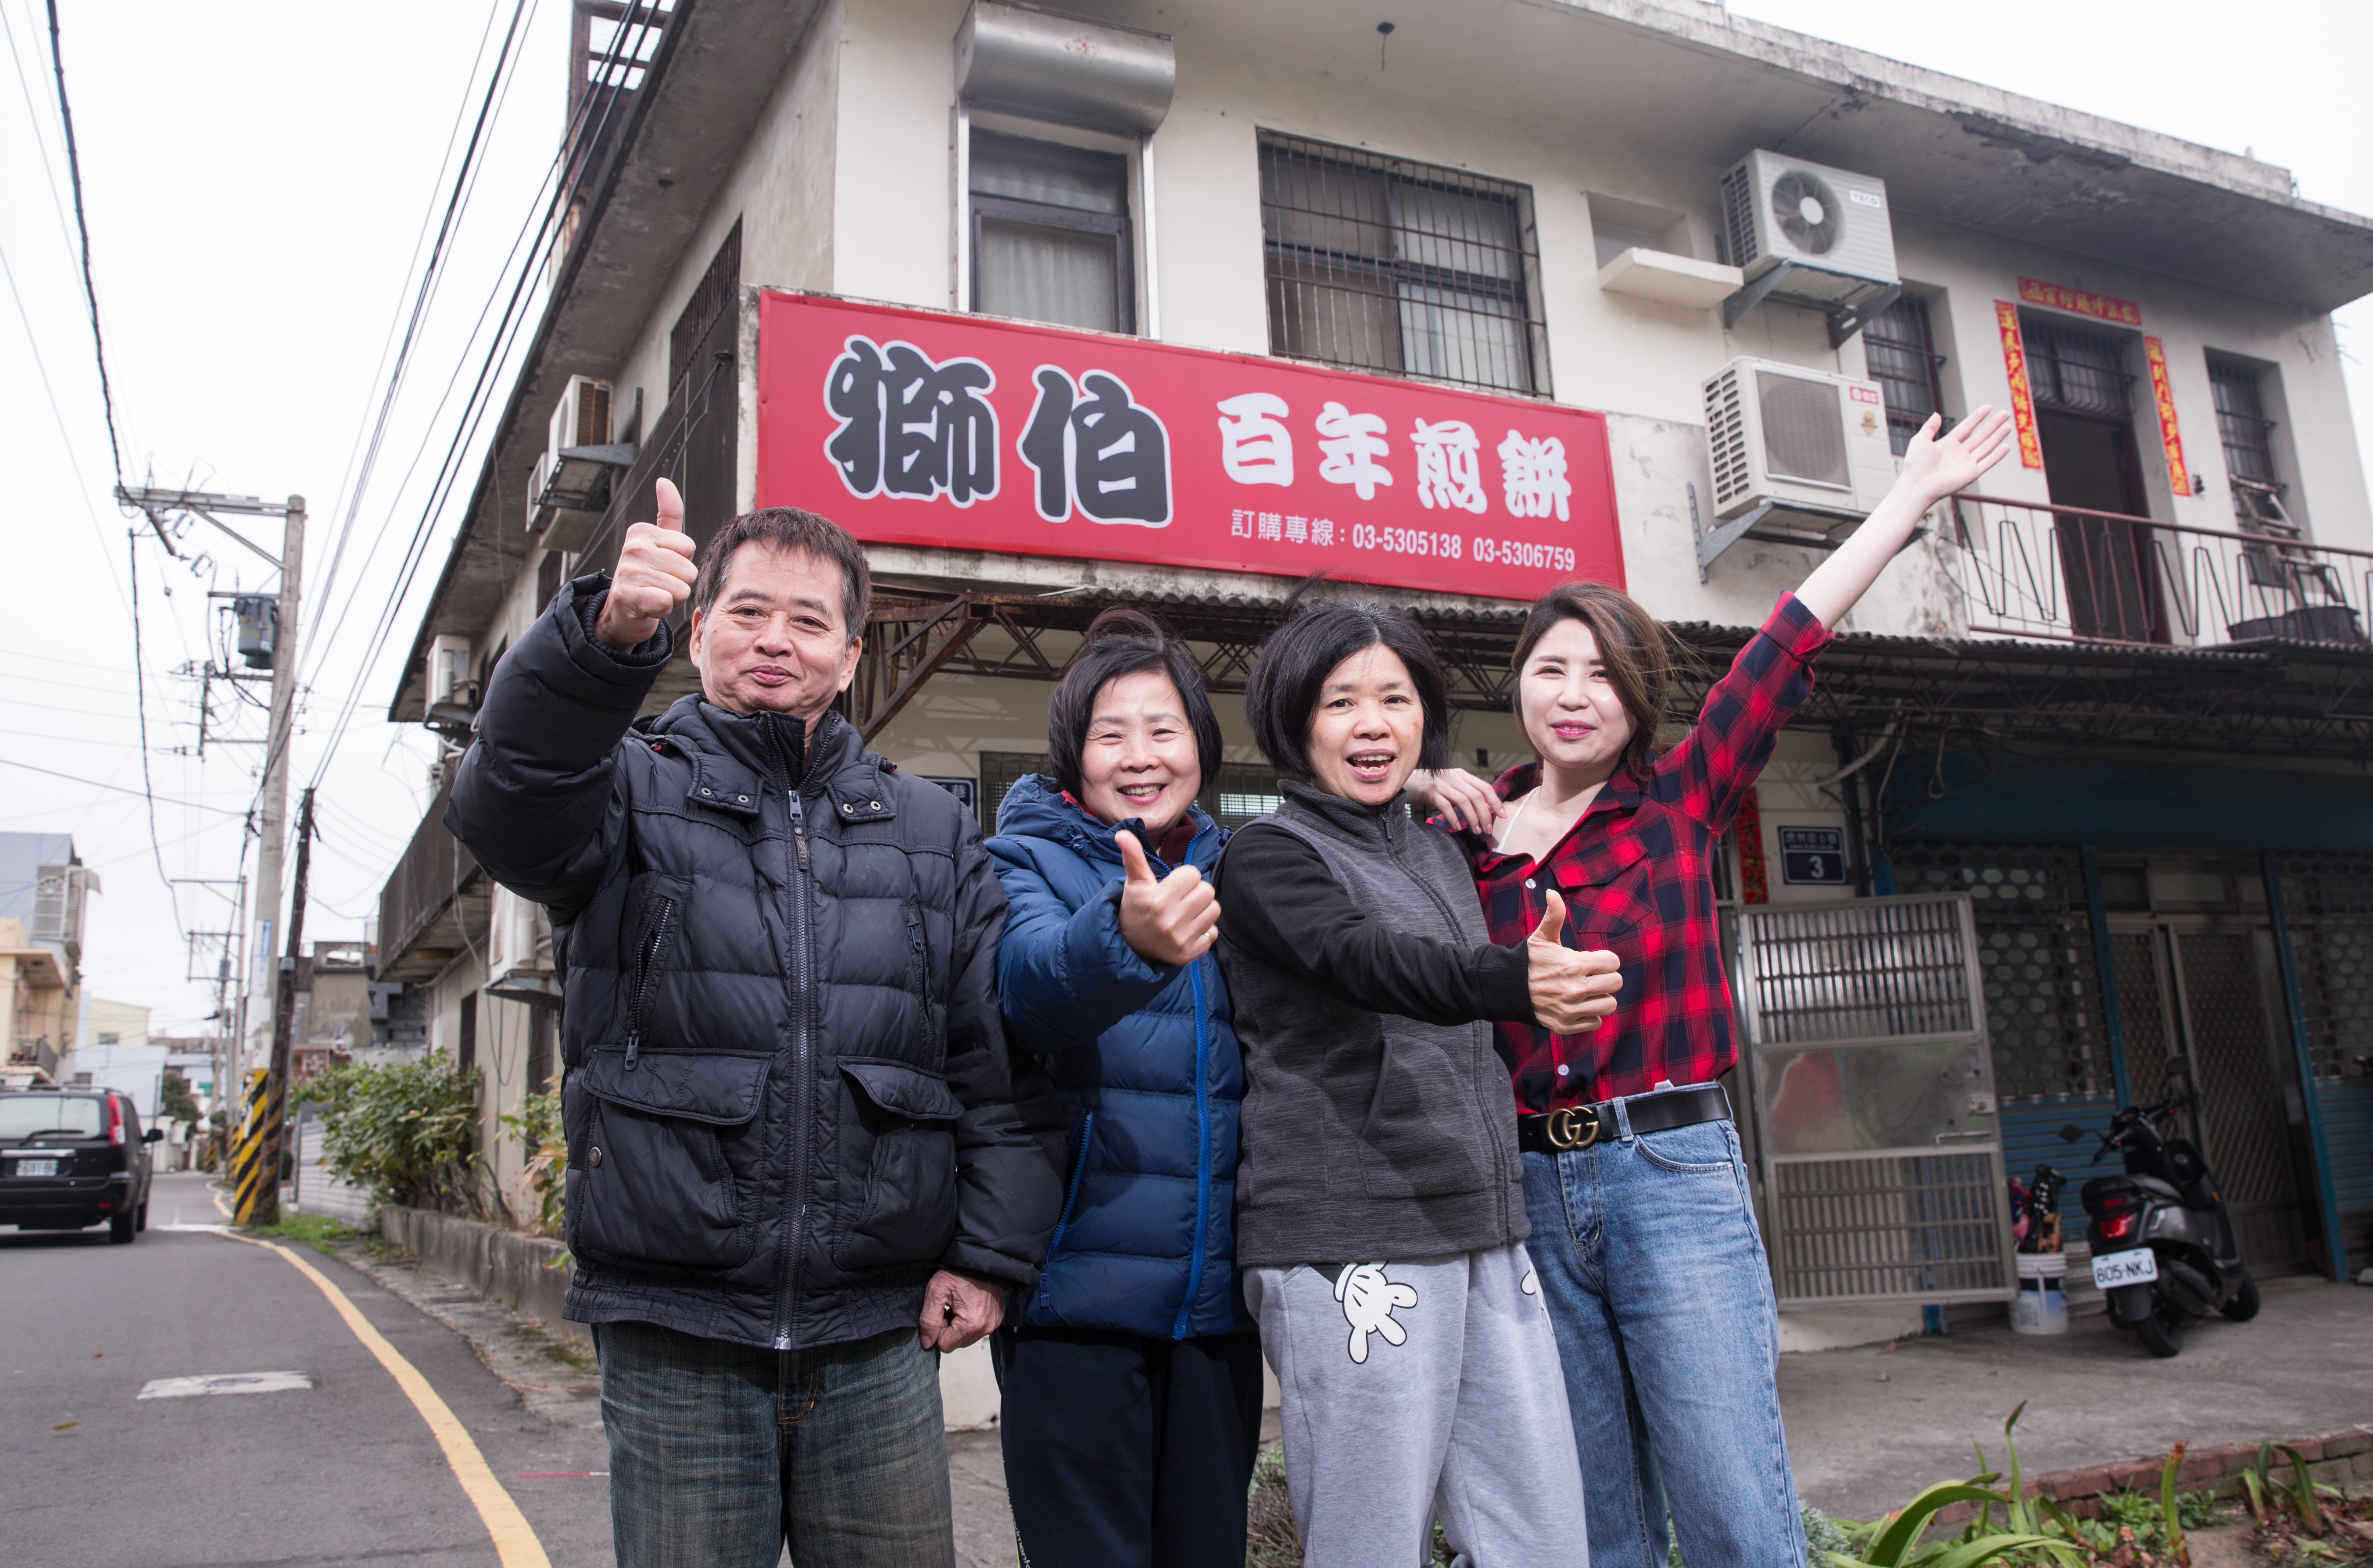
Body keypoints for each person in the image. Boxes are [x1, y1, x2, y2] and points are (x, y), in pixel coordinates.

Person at [1415, 407, 2017, 1568]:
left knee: (1734, 1501)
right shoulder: (1466, 838)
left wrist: (1904, 499)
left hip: (1669, 1169)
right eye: (1551, 668)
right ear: (1519, 689)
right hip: (1528, 1187)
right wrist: (1421, 798)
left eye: (1602, 672)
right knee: (1593, 1522)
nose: (1575, 691)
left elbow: (1787, 637)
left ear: (1638, 699)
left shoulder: (1681, 800)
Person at [446, 478, 1065, 1568]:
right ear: (696, 632)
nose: (774, 639)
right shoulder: (626, 785)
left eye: (807, 619)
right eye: (746, 611)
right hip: (675, 1324)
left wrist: (986, 1255)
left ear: (850, 651)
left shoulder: (928, 825)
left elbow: (991, 1063)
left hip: (878, 1329)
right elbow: (509, 806)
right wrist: (598, 642)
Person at [1212, 594, 1624, 1568]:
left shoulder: (1437, 847)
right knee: (1370, 1542)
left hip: (1483, 1224)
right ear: (1291, 720)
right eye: (1339, 701)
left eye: (1394, 699)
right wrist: (1511, 976)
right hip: (1352, 1239)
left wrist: (1447, 795)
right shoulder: (1267, 855)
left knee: (1539, 1536)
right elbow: (1366, 959)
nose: (1371, 725)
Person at [984, 608, 1263, 1568]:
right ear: (1073, 753)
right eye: (1110, 733)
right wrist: (1125, 938)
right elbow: (1026, 992)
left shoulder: (1237, 867)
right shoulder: (1025, 857)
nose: (1139, 755)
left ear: (1200, 743)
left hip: (1215, 1312)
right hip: (1074, 1306)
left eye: (1163, 728)